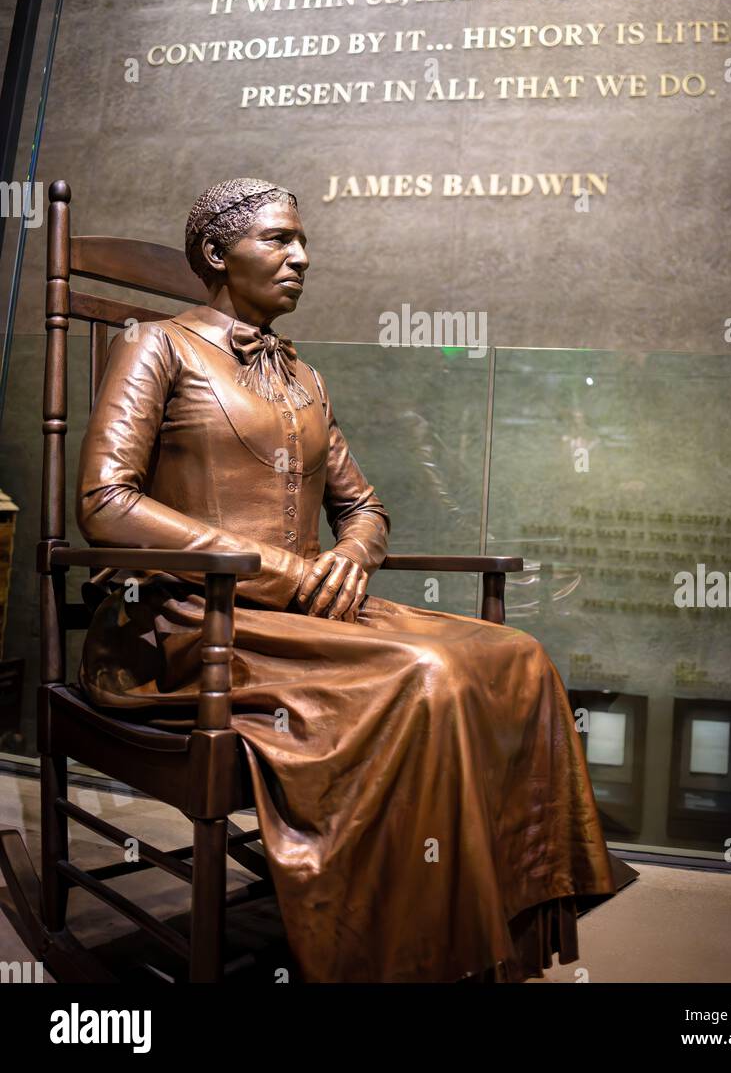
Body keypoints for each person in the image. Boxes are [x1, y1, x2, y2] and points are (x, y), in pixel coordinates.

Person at [76, 176, 616, 982]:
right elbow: (105, 504)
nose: (302, 257)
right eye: (278, 240)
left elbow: (364, 506)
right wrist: (289, 573)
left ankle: (484, 930)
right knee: (427, 673)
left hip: (308, 614)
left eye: (303, 241)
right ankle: (393, 947)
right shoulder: (155, 345)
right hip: (195, 623)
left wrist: (348, 558)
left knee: (517, 656)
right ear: (218, 253)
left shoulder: (303, 377)